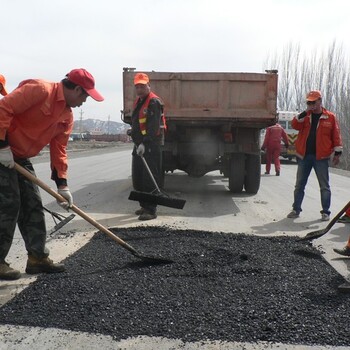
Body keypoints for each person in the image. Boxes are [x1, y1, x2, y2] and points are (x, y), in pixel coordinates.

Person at [0, 68, 104, 280]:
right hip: (2, 150)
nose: (85, 101)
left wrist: (62, 185)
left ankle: (37, 258)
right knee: (9, 203)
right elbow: (3, 108)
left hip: (19, 156)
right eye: (85, 95)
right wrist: (2, 145)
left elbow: (59, 151)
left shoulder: (66, 116)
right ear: (76, 89)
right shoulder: (39, 90)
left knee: (33, 204)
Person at [287, 90, 342, 221]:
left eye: (314, 101)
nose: (311, 104)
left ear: (320, 101)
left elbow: (336, 135)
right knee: (299, 185)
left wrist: (338, 152)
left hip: (321, 158)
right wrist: (305, 111)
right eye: (309, 102)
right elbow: (294, 125)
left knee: (324, 186)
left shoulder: (330, 117)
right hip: (304, 156)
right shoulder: (305, 116)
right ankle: (296, 209)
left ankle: (325, 212)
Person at [130, 72, 165, 221]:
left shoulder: (154, 102)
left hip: (150, 145)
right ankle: (144, 205)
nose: (139, 89)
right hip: (139, 145)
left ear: (148, 86)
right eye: (137, 86)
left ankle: (151, 210)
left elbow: (153, 126)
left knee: (149, 178)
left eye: (142, 86)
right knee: (138, 177)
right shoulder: (139, 101)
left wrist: (145, 143)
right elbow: (138, 122)